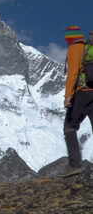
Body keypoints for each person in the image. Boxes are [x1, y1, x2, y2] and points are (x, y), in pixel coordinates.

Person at [61, 25, 93, 177]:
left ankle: (75, 165)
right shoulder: (89, 48)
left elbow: (73, 73)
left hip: (82, 93)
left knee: (69, 127)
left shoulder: (75, 49)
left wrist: (68, 96)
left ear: (70, 38)